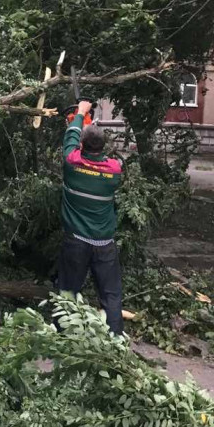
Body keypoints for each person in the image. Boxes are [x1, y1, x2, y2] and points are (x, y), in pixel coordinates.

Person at [57, 100, 123, 335]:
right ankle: (116, 339)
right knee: (111, 295)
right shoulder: (114, 171)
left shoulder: (72, 165)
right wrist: (85, 124)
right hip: (105, 244)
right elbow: (86, 152)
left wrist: (80, 114)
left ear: (82, 145)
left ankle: (63, 336)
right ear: (103, 146)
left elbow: (70, 142)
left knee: (67, 290)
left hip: (76, 241)